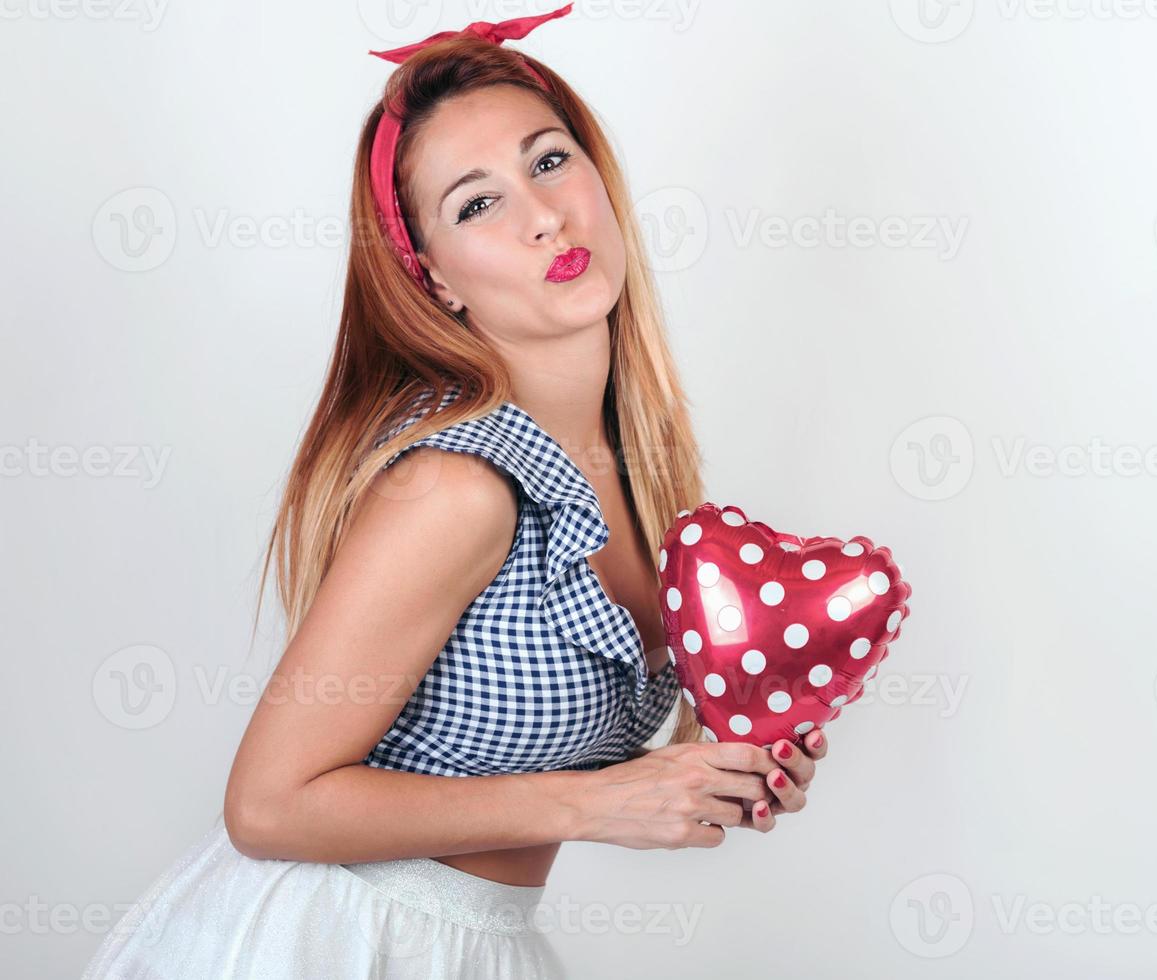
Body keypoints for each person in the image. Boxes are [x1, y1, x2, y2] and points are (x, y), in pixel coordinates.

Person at [80, 6, 828, 977]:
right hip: (336, 939)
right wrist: (598, 802)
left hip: (480, 942)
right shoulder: (459, 483)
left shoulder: (648, 490)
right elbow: (267, 803)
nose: (542, 216)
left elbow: (624, 768)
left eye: (549, 160)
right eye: (477, 203)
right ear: (431, 275)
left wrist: (734, 767)